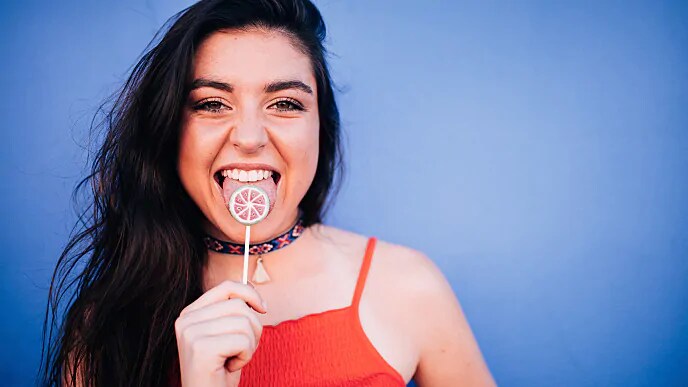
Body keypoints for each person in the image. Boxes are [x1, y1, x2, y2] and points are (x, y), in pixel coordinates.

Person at [39, 0, 496, 386]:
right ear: (168, 130)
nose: (251, 137)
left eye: (285, 103)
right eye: (212, 104)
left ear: (322, 128)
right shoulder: (106, 323)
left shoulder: (409, 287)